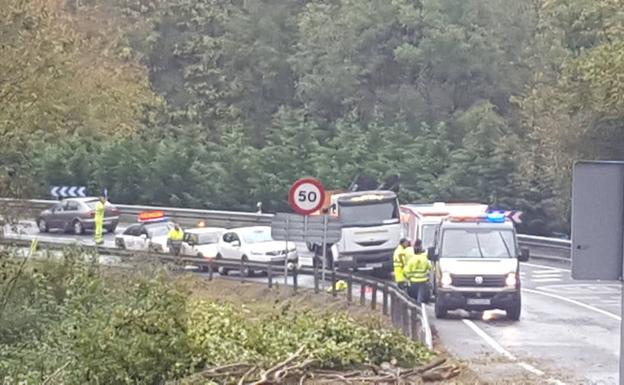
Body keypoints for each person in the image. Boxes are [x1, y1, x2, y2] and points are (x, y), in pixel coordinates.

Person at [404, 239, 431, 304]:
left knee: (413, 300)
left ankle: (415, 309)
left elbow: (405, 271)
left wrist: (409, 277)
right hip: (423, 282)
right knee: (420, 299)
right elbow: (429, 268)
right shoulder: (425, 259)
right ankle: (419, 310)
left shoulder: (411, 260)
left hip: (413, 282)